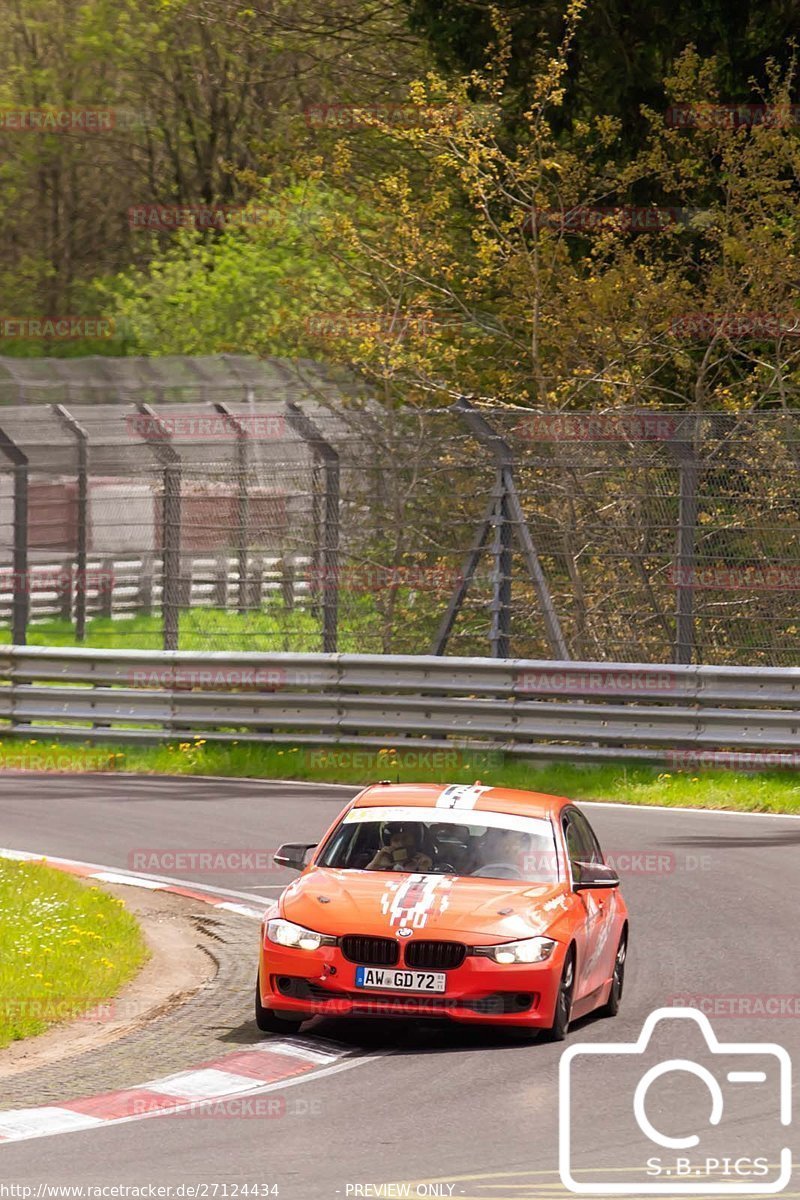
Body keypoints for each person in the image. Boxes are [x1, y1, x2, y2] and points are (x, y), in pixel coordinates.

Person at [365, 823, 433, 872]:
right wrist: (375, 864)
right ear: (389, 844)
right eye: (396, 840)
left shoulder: (424, 862)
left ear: (415, 841)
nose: (401, 843)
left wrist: (425, 868)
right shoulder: (383, 863)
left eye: (405, 839)